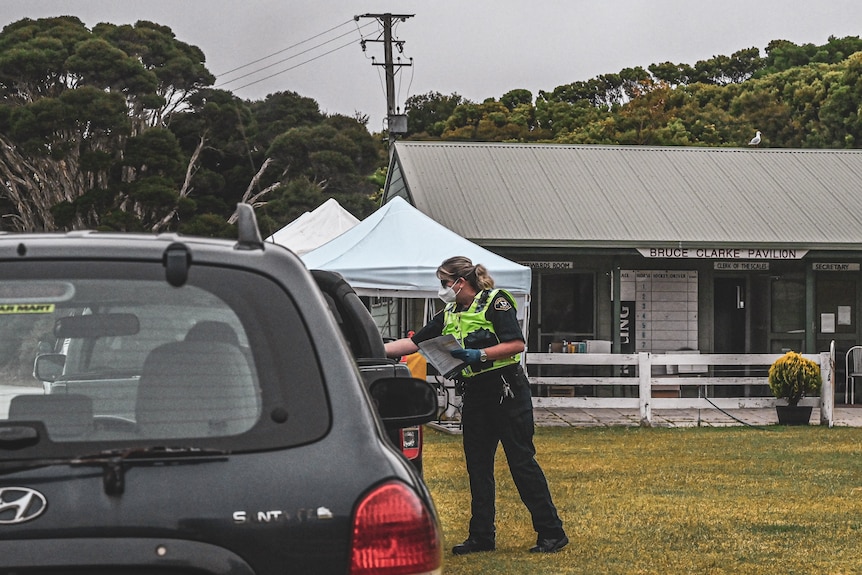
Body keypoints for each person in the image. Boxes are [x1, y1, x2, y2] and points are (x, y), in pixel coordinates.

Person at [385, 256, 568, 555]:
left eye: (445, 283)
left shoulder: (496, 302)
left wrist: (480, 355)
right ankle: (482, 536)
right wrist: (370, 349)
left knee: (521, 463)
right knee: (477, 467)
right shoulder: (449, 312)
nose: (442, 289)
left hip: (506, 389)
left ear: (461, 282)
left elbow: (516, 344)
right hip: (476, 393)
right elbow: (415, 342)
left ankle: (551, 532)